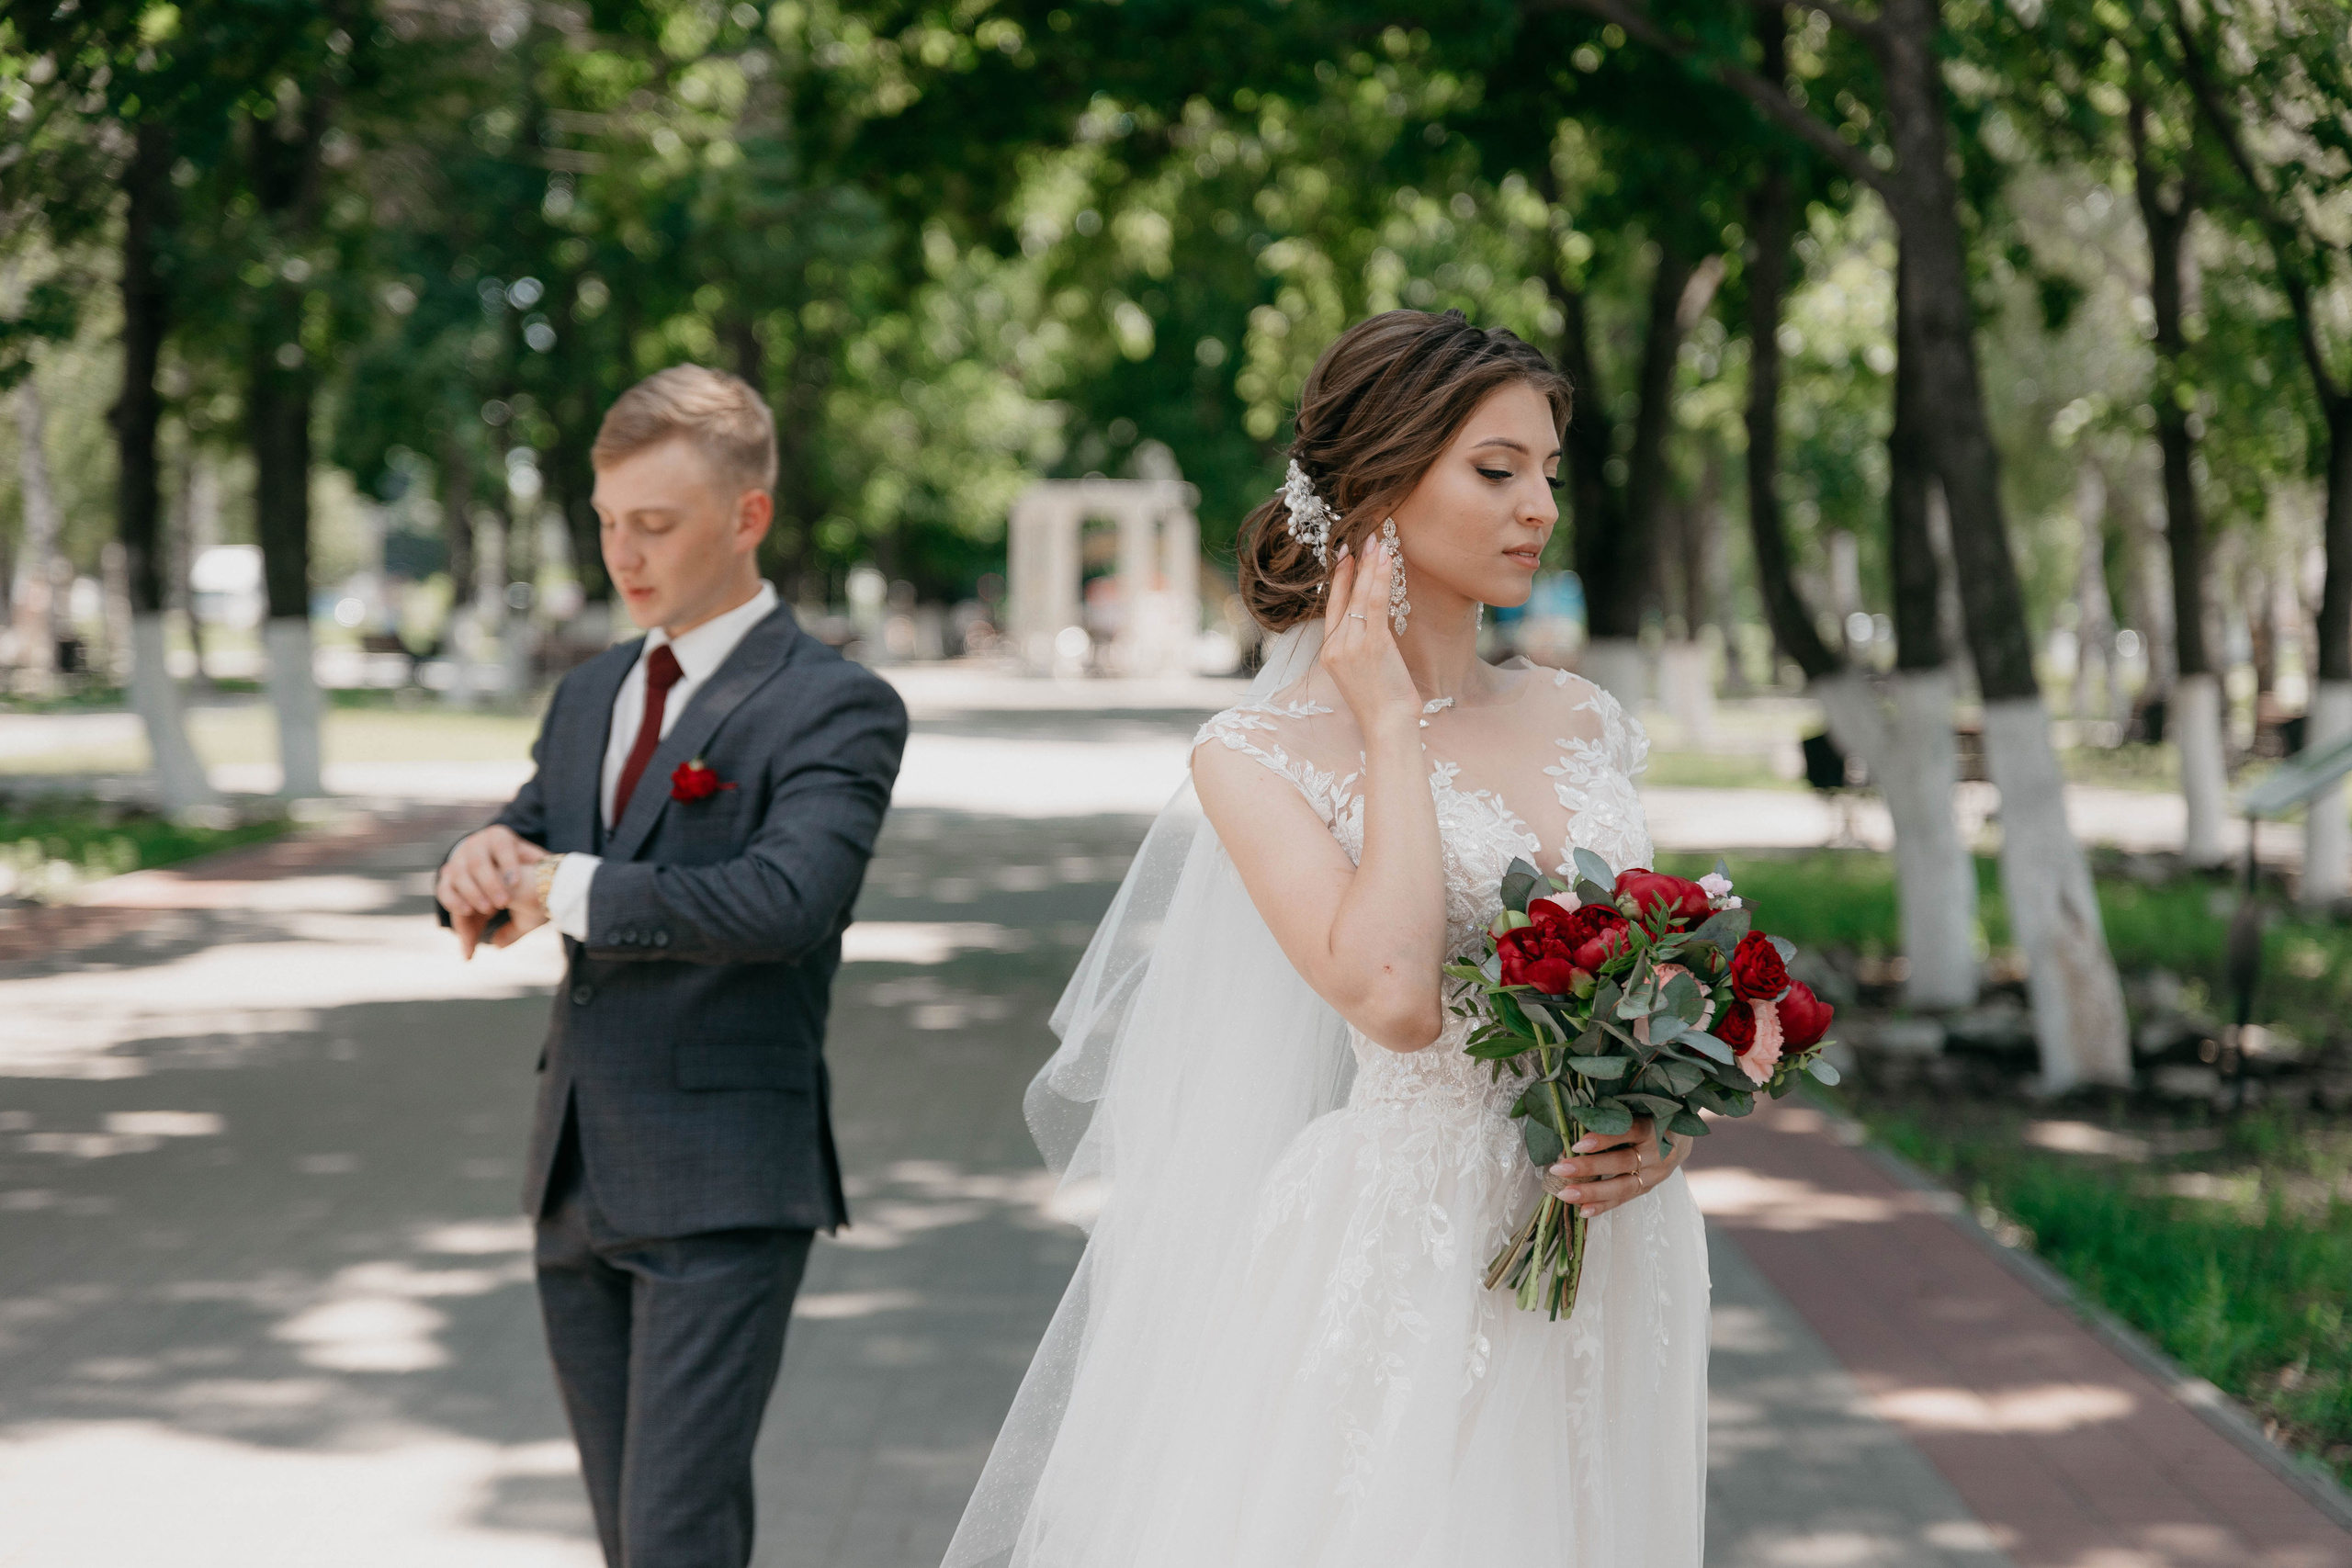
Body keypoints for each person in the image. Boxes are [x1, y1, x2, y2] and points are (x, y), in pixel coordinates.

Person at [944, 310, 1707, 1567]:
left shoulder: (1582, 717)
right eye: (1496, 470)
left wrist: (1660, 1126)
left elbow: (1650, 979)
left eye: (1549, 473)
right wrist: (1392, 726)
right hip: (1417, 1247)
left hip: (1618, 1247)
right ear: (1383, 486)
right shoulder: (1256, 756)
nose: (1539, 508)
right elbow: (1396, 998)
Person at [433, 366, 907, 1568]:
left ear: (748, 517)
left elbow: (789, 901)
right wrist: (477, 861)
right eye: (607, 521)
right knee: (628, 1540)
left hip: (724, 1183)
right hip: (573, 1171)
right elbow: (530, 835)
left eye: (654, 523)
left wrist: (565, 889)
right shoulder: (590, 692)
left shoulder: (835, 704)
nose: (622, 554)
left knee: (673, 1542)